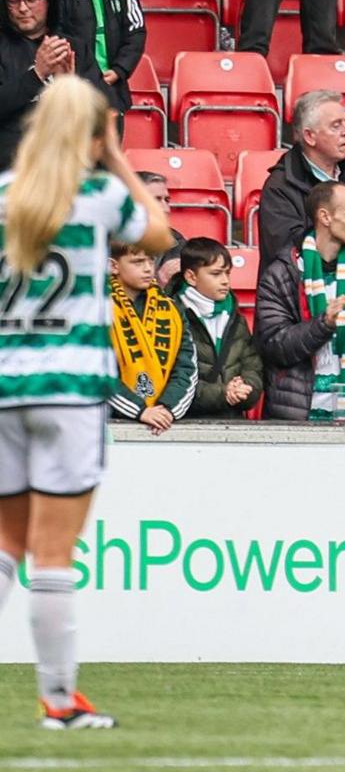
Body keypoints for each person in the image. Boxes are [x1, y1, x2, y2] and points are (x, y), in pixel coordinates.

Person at [0, 78, 172, 727]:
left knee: (7, 543)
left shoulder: (4, 197)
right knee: (52, 554)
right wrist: (118, 158)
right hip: (70, 391)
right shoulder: (98, 196)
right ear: (93, 133)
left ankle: (61, 700)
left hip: (7, 383)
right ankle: (59, 699)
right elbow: (157, 235)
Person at [254, 182, 345, 421]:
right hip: (297, 411)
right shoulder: (283, 273)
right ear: (325, 217)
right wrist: (323, 324)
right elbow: (274, 345)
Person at [255, 91, 345, 269]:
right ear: (309, 136)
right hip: (299, 290)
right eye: (336, 126)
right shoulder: (280, 186)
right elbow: (288, 248)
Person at [107, 242, 195, 433]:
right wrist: (140, 410)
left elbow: (187, 367)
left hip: (163, 419)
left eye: (151, 260)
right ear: (113, 266)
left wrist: (167, 409)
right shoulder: (96, 309)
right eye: (138, 262)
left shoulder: (172, 309)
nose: (148, 269)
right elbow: (95, 371)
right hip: (107, 424)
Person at [168, 238, 260, 420]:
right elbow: (169, 378)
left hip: (233, 421)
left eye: (227, 273)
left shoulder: (236, 318)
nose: (225, 281)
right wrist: (223, 393)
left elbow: (253, 366)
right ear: (191, 277)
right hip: (184, 425)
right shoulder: (169, 315)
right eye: (216, 274)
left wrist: (245, 389)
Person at [0, 0, 72, 170]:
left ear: (48, 1)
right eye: (14, 1)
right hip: (9, 166)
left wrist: (69, 86)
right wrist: (37, 74)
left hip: (63, 164)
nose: (22, 8)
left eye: (31, 0)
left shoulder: (74, 45)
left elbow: (101, 112)